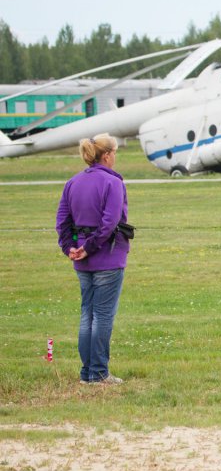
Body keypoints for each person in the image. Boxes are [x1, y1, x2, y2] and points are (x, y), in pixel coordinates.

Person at [56, 133, 130, 384]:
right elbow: (110, 222)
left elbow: (62, 221)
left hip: (81, 259)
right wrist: (90, 247)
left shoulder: (73, 182)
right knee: (103, 316)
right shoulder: (113, 183)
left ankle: (87, 372)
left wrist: (71, 248)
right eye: (115, 153)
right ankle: (98, 372)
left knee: (87, 314)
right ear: (107, 155)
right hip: (107, 258)